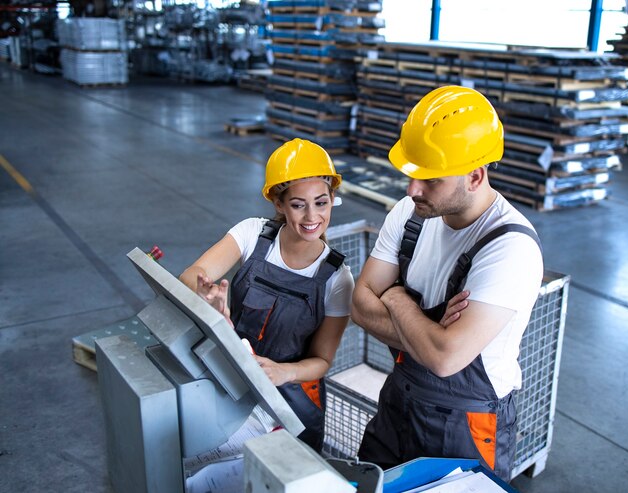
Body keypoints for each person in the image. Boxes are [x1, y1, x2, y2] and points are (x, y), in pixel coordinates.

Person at [351, 85, 544, 481]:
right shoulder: (410, 213)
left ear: (475, 177)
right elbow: (359, 305)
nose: (411, 190)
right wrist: (430, 335)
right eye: (411, 174)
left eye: (430, 180)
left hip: (465, 426)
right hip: (398, 402)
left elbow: (445, 359)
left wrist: (397, 299)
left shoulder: (509, 249)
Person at [179, 138, 354, 452]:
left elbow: (322, 360)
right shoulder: (251, 235)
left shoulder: (337, 279)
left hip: (293, 397)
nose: (312, 216)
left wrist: (284, 372)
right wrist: (205, 297)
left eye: (321, 202)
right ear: (279, 203)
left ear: (331, 199)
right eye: (298, 204)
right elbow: (191, 275)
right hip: (233, 377)